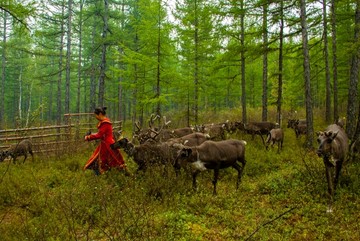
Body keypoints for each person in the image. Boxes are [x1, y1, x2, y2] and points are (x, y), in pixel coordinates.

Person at [84, 106, 130, 176]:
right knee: (100, 159)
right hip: (105, 144)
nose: (96, 117)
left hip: (107, 145)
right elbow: (101, 134)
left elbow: (99, 135)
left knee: (113, 160)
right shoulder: (104, 122)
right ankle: (100, 175)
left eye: (96, 115)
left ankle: (120, 175)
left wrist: (88, 137)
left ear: (99, 114)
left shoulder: (105, 123)